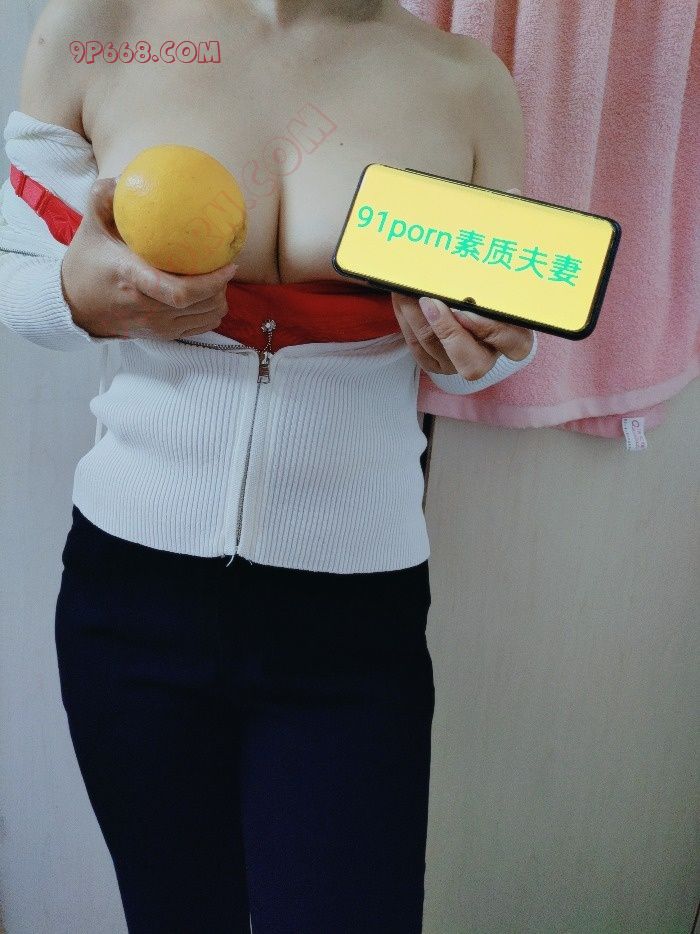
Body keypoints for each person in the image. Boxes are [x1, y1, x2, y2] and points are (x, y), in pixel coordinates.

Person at [0, 0, 537, 930]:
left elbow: (504, 322)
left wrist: (485, 343)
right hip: (129, 602)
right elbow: (15, 264)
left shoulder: (465, 81)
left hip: (353, 619)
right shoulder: (96, 27)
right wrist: (74, 294)